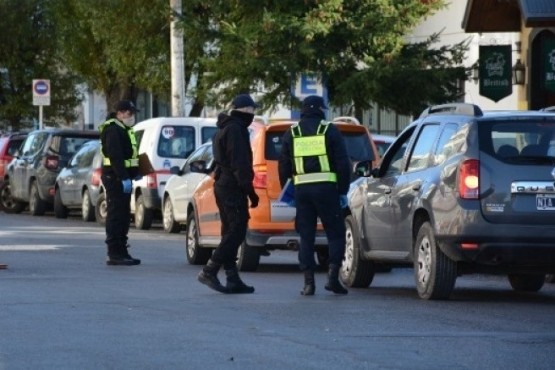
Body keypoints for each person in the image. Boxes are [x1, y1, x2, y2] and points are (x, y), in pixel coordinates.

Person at [278, 95, 350, 296]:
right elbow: (343, 163)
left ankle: (308, 283)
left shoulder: (292, 133)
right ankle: (333, 278)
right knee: (335, 233)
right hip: (327, 190)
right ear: (320, 110)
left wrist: (289, 190)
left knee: (306, 236)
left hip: (302, 192)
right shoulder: (329, 130)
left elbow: (283, 165)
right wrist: (343, 191)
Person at [197, 94, 259, 294]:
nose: (253, 114)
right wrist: (250, 192)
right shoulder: (236, 130)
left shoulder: (224, 128)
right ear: (245, 110)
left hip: (223, 185)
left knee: (229, 230)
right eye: (252, 110)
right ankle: (210, 269)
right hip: (232, 186)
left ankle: (232, 277)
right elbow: (240, 164)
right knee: (237, 230)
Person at [99, 100, 141, 266]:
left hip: (122, 178)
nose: (132, 117)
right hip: (115, 178)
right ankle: (114, 253)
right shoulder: (113, 129)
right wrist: (123, 177)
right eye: (130, 113)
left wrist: (134, 172)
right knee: (116, 216)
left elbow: (127, 156)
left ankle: (122, 251)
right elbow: (116, 157)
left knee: (123, 217)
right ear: (121, 113)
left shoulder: (122, 128)